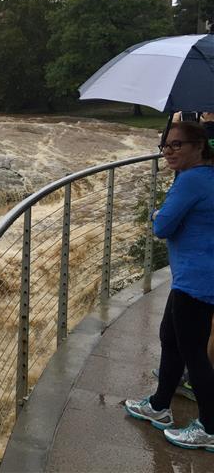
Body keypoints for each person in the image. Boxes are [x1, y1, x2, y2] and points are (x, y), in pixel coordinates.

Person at [125, 122, 214, 451]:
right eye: (165, 146)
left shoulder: (191, 181)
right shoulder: (206, 177)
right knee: (170, 338)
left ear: (199, 146)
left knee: (194, 354)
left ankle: (209, 427)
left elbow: (163, 227)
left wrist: (156, 212)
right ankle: (160, 405)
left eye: (178, 145)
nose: (169, 151)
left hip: (197, 279)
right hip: (196, 276)